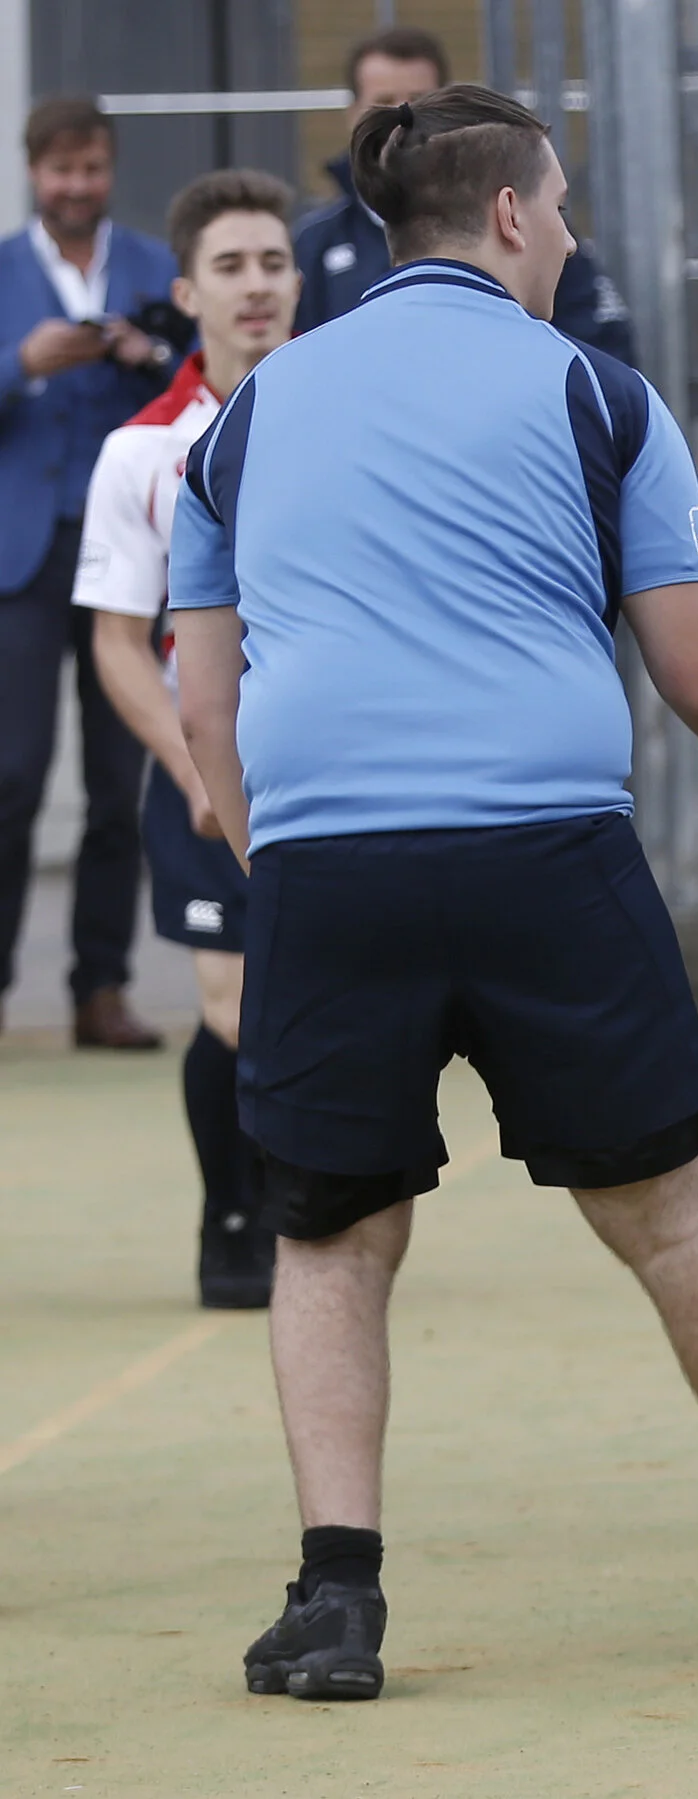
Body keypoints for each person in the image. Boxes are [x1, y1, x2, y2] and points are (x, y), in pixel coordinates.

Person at [168, 85, 698, 1700]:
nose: (570, 233)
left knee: (329, 1237)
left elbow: (205, 694)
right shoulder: (594, 389)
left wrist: (268, 849)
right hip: (544, 857)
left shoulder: (248, 412)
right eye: (564, 208)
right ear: (512, 217)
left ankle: (336, 1598)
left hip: (327, 868)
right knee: (674, 1213)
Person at [74, 170, 300, 1308]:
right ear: (185, 291)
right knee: (232, 1006)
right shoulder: (142, 452)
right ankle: (234, 1213)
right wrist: (191, 758)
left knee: (308, 1003)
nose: (255, 287)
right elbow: (119, 641)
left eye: (272, 262)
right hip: (204, 771)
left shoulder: (342, 420)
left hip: (327, 768)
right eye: (231, 267)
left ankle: (308, 1202)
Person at [0, 95, 181, 1049]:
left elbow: (202, 376)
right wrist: (21, 364)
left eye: (93, 168)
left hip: (129, 549)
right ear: (35, 172)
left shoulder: (157, 265)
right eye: (61, 169)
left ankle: (100, 988)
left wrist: (145, 351)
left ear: (111, 168)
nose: (77, 186)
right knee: (11, 774)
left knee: (119, 780)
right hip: (20, 555)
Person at [292, 26, 635, 363]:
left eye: (416, 102)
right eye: (384, 104)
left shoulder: (538, 226)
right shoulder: (313, 244)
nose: (399, 121)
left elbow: (602, 357)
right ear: (353, 113)